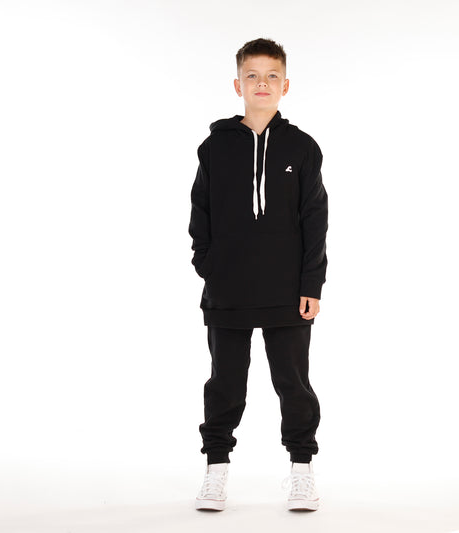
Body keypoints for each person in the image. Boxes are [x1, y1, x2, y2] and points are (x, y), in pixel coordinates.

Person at [188, 37, 328, 512]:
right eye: (252, 75)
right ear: (238, 85)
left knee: (293, 383)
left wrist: (311, 284)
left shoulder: (302, 147)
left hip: (287, 291)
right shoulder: (215, 147)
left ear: (285, 86)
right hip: (227, 289)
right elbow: (200, 213)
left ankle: (302, 472)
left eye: (271, 76)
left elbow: (315, 218)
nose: (262, 84)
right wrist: (208, 266)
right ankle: (215, 471)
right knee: (225, 383)